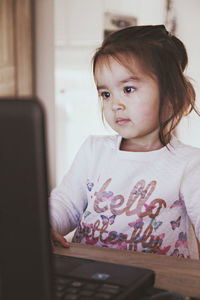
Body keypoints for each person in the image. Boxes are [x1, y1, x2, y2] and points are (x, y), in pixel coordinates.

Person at [50, 24, 200, 258]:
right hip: (90, 273)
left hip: (158, 285)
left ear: (171, 94)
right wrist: (46, 224)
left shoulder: (189, 164)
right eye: (106, 94)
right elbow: (66, 204)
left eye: (128, 89)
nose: (114, 104)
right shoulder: (93, 150)